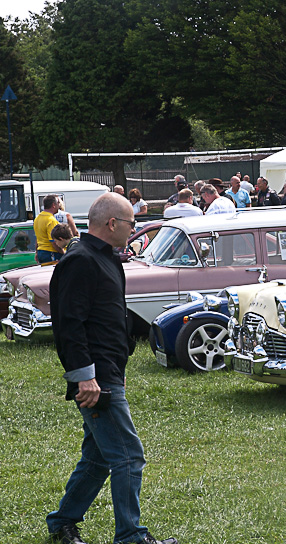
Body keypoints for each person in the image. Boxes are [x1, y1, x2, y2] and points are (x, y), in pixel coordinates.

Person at [47, 193, 178, 544]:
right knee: (128, 456)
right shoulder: (80, 260)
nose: (134, 230)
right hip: (95, 378)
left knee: (98, 458)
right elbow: (69, 325)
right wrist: (84, 377)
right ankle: (131, 537)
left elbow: (109, 316)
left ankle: (62, 522)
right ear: (111, 224)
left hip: (107, 372)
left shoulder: (105, 258)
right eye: (131, 224)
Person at [34, 195, 63, 265]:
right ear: (53, 205)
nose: (59, 206)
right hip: (51, 253)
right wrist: (63, 252)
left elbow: (37, 238)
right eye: (58, 203)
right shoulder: (51, 220)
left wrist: (37, 252)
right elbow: (54, 241)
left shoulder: (37, 218)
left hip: (41, 251)